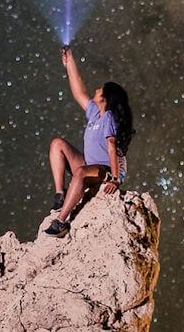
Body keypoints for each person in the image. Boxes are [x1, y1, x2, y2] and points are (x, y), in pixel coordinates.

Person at [44, 47, 135, 237]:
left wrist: (116, 179)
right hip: (89, 164)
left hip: (106, 169)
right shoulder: (95, 114)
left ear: (106, 98)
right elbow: (78, 91)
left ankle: (61, 223)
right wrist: (69, 63)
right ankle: (60, 194)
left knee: (80, 172)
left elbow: (111, 147)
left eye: (100, 89)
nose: (96, 90)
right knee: (57, 144)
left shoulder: (109, 117)